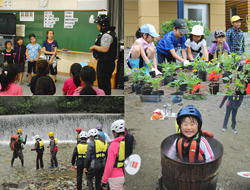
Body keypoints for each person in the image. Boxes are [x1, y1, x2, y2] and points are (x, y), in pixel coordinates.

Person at [89, 14, 117, 95]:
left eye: (98, 24)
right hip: (105, 63)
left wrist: (94, 47)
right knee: (104, 83)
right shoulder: (106, 33)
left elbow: (105, 49)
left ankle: (104, 96)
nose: (97, 26)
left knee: (103, 84)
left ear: (103, 25)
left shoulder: (107, 35)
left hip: (105, 63)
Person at [101, 119, 126, 190]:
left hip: (116, 176)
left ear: (115, 132)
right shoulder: (130, 142)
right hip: (129, 173)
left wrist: (104, 180)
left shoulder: (114, 145)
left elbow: (109, 165)